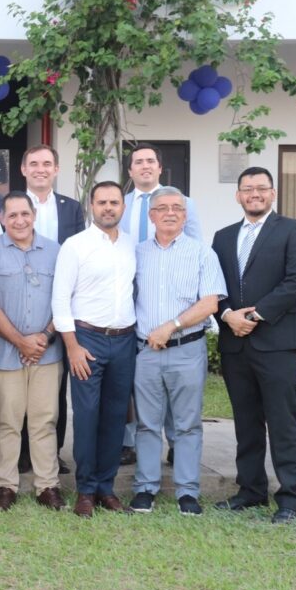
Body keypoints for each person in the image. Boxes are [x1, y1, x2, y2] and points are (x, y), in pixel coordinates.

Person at [211, 167, 296, 524]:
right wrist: (227, 316)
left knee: (282, 421)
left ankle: (290, 498)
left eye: (261, 188)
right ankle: (251, 491)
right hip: (235, 344)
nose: (254, 194)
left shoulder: (293, 230)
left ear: (272, 193)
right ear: (237, 195)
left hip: (278, 343)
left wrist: (253, 317)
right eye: (247, 189)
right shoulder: (223, 237)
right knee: (246, 422)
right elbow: (215, 288)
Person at [128, 187, 225, 516]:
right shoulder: (136, 252)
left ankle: (187, 492)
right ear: (151, 215)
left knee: (187, 425)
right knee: (146, 424)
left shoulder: (202, 253)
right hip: (146, 353)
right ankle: (145, 488)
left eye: (177, 209)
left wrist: (171, 325)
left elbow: (210, 303)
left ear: (185, 216)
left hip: (186, 350)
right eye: (162, 208)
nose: (170, 213)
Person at [51, 181, 136, 518]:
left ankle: (106, 488)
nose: (108, 208)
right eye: (102, 202)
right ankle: (85, 490)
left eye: (114, 202)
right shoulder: (75, 246)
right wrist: (71, 346)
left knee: (116, 418)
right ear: (91, 206)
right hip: (87, 340)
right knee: (87, 417)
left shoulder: (131, 246)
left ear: (122, 207)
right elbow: (60, 299)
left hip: (125, 340)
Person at [118, 143, 201, 465]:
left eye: (150, 161)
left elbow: (194, 244)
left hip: (169, 296)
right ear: (130, 171)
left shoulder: (181, 203)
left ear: (159, 167)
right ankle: (129, 442)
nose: (144, 166)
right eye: (138, 162)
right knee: (136, 375)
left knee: (171, 376)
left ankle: (177, 441)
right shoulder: (122, 204)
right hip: (131, 297)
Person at [0, 192, 65, 511]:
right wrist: (20, 340)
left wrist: (43, 336)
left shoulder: (55, 251)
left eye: (24, 214)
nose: (19, 220)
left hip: (47, 352)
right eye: (12, 215)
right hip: (5, 353)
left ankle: (47, 485)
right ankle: (6, 485)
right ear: (2, 218)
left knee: (45, 420)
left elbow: (65, 299)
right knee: (7, 420)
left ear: (34, 216)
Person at [18, 145, 85, 476]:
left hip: (57, 307)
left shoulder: (71, 209)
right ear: (23, 169)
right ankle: (21, 453)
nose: (40, 169)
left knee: (54, 389)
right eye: (34, 164)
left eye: (47, 164)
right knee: (17, 388)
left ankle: (51, 453)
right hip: (18, 309)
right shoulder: (12, 205)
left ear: (56, 169)